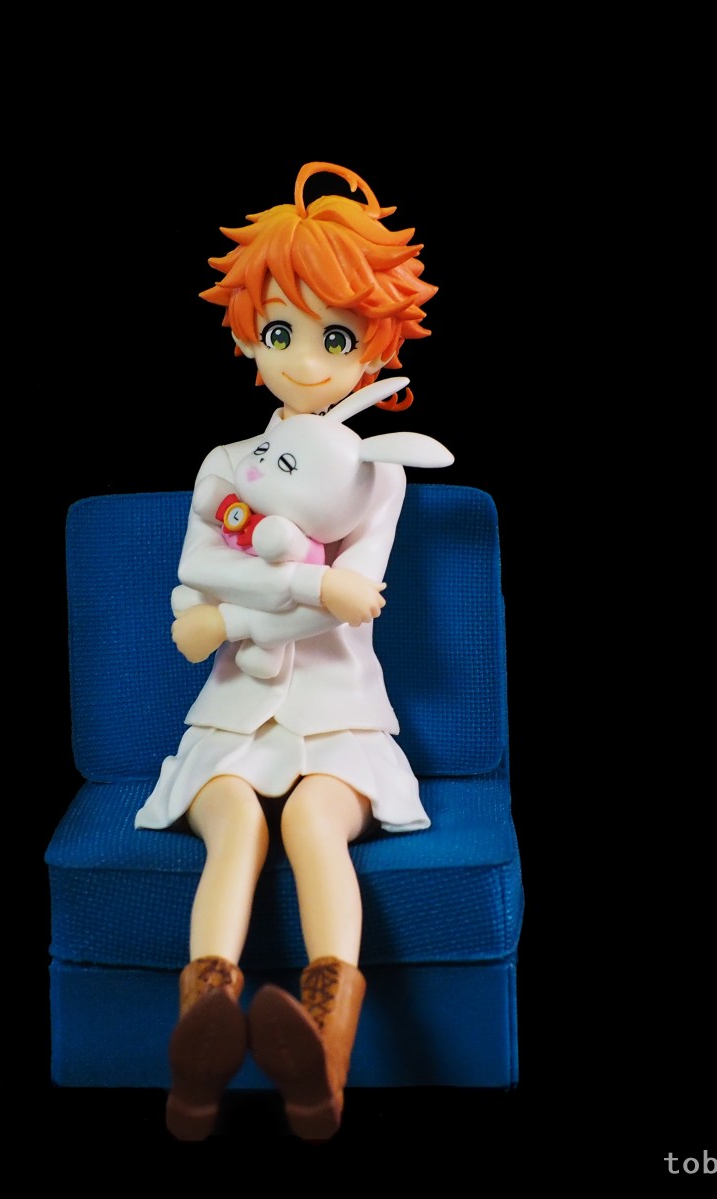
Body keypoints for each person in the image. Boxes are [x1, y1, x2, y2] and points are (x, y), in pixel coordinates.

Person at [134, 161, 440, 1141]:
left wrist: (236, 614)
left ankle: (321, 1050)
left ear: (374, 351)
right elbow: (204, 571)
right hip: (230, 714)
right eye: (280, 332)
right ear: (246, 338)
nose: (304, 359)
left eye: (335, 337)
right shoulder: (228, 467)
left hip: (339, 713)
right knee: (232, 822)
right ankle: (201, 1038)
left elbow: (353, 601)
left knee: (314, 823)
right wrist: (304, 588)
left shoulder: (375, 478)